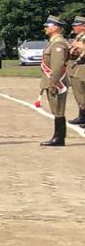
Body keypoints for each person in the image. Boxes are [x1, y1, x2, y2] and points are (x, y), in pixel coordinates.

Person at [38, 15, 70, 147]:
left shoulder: (58, 43)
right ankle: (58, 136)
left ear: (56, 28)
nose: (45, 28)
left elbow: (57, 65)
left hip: (56, 82)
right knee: (56, 110)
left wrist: (53, 83)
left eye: (48, 25)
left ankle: (59, 138)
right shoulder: (54, 42)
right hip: (53, 80)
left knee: (58, 110)